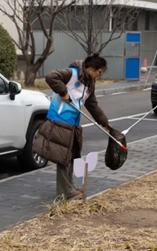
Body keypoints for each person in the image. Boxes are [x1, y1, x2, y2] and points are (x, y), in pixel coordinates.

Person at [33, 53, 111, 200]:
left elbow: (93, 105)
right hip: (60, 119)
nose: (99, 75)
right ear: (92, 68)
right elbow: (51, 76)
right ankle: (64, 193)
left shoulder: (89, 84)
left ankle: (68, 188)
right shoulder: (72, 74)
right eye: (99, 72)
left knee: (70, 156)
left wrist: (105, 122)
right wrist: (63, 91)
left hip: (73, 123)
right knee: (63, 157)